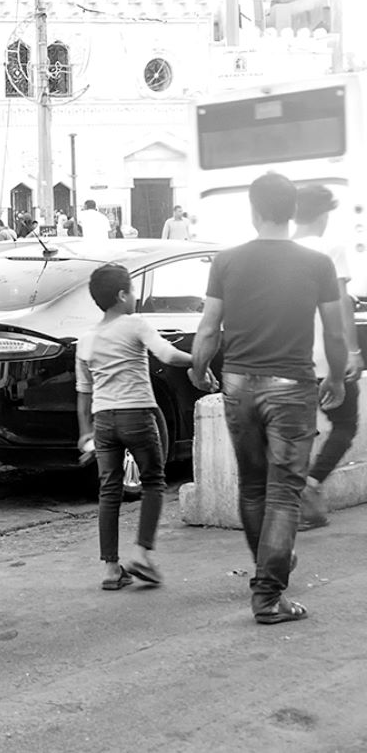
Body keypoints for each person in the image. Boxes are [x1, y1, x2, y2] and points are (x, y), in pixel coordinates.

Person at [190, 172, 346, 626]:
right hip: (292, 387)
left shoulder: (227, 261)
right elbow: (336, 331)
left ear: (254, 211)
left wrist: (200, 370)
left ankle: (268, 568)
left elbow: (208, 327)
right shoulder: (318, 264)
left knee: (254, 487)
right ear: (292, 210)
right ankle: (268, 594)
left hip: (238, 384)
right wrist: (335, 376)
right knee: (283, 495)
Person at [76, 264, 197, 591]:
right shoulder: (135, 324)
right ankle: (142, 553)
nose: (133, 298)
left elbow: (84, 392)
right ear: (121, 295)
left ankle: (112, 569)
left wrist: (84, 432)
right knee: (155, 481)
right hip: (137, 415)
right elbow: (168, 355)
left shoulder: (86, 339)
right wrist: (198, 359)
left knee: (109, 492)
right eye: (130, 292)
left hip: (103, 421)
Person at [291, 185, 363, 530]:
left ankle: (302, 508)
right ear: (323, 214)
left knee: (303, 432)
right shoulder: (330, 249)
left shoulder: (284, 249)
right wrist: (352, 352)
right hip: (326, 357)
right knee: (346, 424)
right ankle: (313, 483)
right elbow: (342, 306)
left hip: (292, 360)